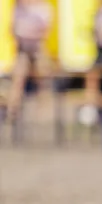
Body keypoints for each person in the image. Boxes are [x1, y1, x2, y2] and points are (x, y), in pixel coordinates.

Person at [5, 0, 51, 130]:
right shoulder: (18, 8)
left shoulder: (43, 7)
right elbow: (13, 29)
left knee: (44, 77)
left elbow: (45, 30)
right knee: (18, 79)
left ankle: (44, 112)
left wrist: (30, 34)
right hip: (23, 49)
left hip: (37, 47)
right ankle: (12, 111)